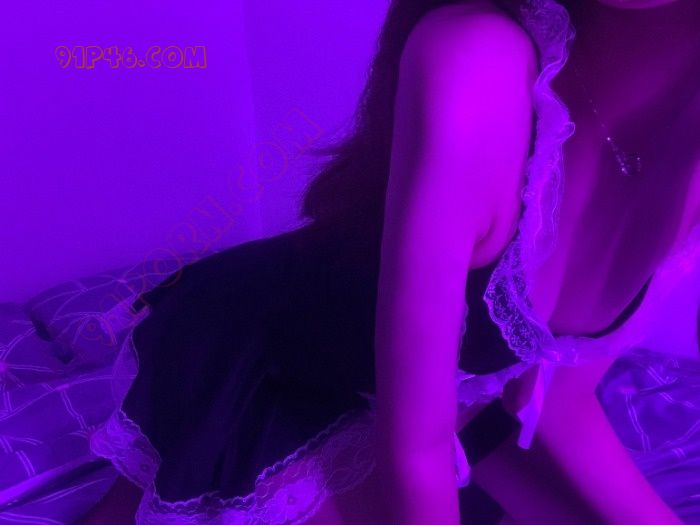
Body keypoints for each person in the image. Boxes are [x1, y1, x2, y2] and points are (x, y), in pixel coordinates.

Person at [0, 0, 697, 523]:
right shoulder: (477, 60)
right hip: (259, 351)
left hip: (444, 402)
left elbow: (558, 403)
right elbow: (413, 449)